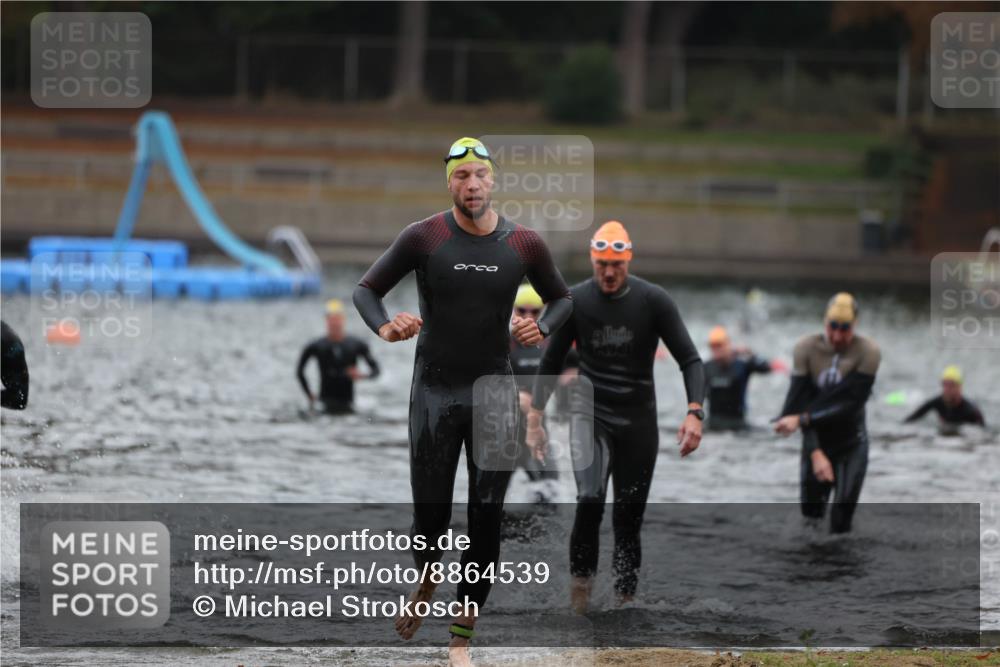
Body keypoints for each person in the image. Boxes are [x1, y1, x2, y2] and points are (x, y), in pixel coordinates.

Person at [352, 137, 572, 666]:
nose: (470, 184)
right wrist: (385, 326)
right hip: (434, 390)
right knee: (430, 520)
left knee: (486, 517)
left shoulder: (524, 244)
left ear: (492, 180)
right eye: (460, 176)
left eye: (479, 175)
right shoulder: (423, 237)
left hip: (493, 392)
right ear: (448, 182)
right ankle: (427, 581)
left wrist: (541, 326)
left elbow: (563, 297)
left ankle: (460, 639)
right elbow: (366, 290)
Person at [525, 220, 705, 614]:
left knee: (628, 518)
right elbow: (552, 361)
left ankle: (625, 603)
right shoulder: (574, 301)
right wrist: (535, 418)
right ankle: (579, 602)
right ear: (593, 259)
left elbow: (690, 359)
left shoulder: (653, 300)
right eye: (601, 263)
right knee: (589, 499)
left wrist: (694, 412)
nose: (608, 272)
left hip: (639, 422)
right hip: (590, 415)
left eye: (616, 265)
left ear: (628, 260)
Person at [774, 292, 881, 534]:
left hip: (852, 443)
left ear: (855, 326)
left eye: (845, 329)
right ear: (824, 323)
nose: (837, 336)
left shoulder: (868, 352)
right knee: (810, 521)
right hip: (817, 443)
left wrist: (801, 419)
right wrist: (815, 451)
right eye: (832, 327)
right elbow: (795, 403)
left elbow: (850, 403)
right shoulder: (806, 348)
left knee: (841, 523)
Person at [508, 283, 578, 504]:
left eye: (534, 311)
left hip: (536, 431)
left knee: (551, 494)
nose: (528, 316)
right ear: (512, 310)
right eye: (521, 310)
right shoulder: (500, 343)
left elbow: (579, 363)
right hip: (501, 432)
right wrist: (516, 396)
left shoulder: (549, 343)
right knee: (488, 502)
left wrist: (571, 376)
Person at [296, 299, 380, 414]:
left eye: (337, 319)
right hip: (324, 403)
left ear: (343, 320)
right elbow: (300, 371)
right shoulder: (316, 346)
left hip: (349, 403)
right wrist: (309, 395)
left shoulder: (357, 345)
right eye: (332, 319)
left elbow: (376, 371)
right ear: (326, 320)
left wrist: (361, 375)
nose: (335, 323)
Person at [702, 325, 783, 431]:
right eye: (713, 346)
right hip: (713, 422)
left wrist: (750, 352)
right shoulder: (706, 367)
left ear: (728, 344)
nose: (716, 349)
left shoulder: (742, 365)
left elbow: (769, 367)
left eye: (719, 345)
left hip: (738, 423)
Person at [904, 365, 985, 434]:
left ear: (959, 387)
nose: (947, 389)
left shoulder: (970, 411)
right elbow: (911, 419)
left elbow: (983, 432)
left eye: (951, 385)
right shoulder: (936, 402)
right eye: (945, 384)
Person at [1, 321, 29, 410]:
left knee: (18, 397)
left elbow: (19, 400)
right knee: (18, 397)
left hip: (10, 346)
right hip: (11, 344)